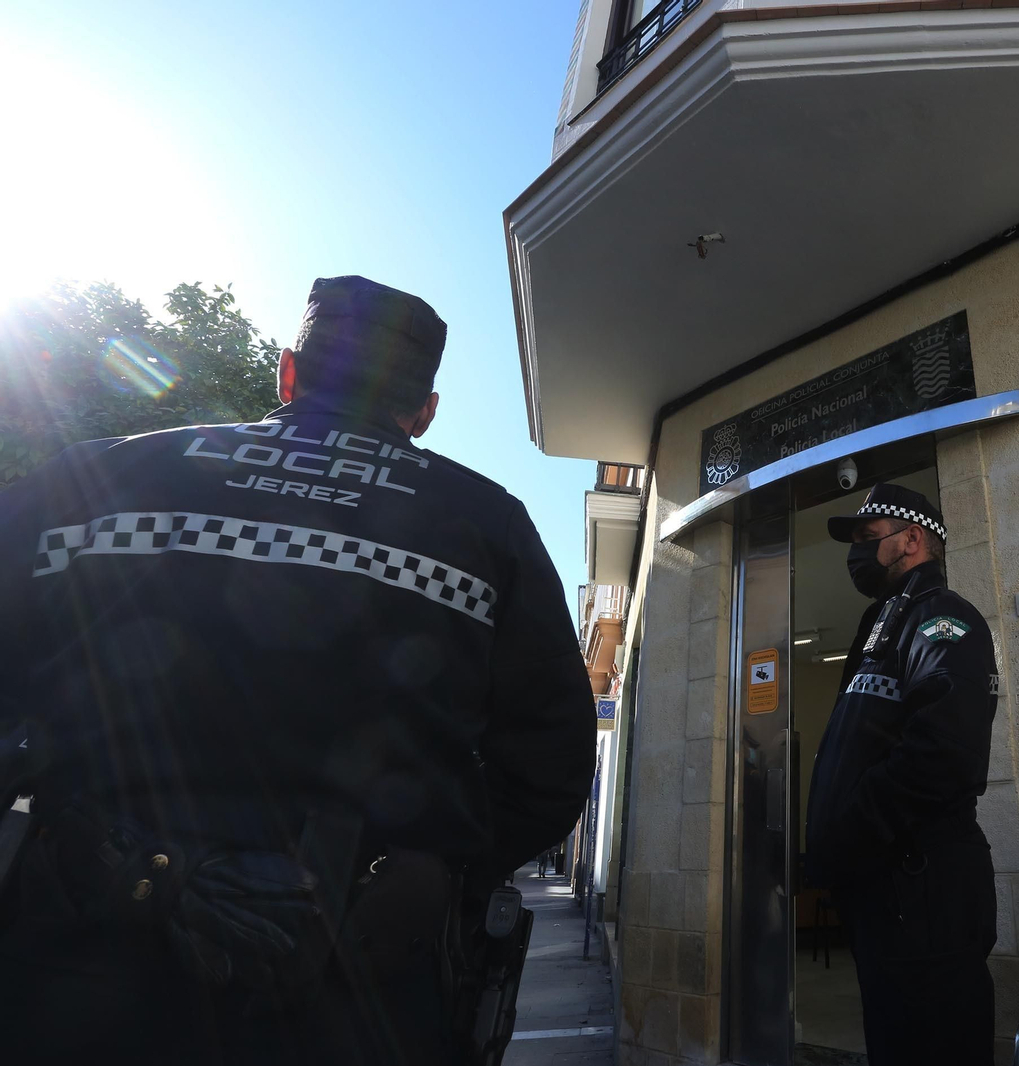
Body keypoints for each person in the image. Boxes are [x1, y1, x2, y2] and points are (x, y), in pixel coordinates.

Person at [0, 276, 595, 1064]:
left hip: (79, 960)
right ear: (424, 411)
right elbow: (551, 765)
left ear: (288, 372)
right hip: (354, 985)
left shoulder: (87, 481)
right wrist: (432, 869)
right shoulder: (488, 526)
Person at [805, 483, 999, 1066]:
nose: (858, 554)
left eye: (869, 539)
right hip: (886, 892)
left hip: (922, 892)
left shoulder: (942, 619)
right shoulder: (882, 627)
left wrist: (850, 834)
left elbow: (944, 754)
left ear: (912, 539)